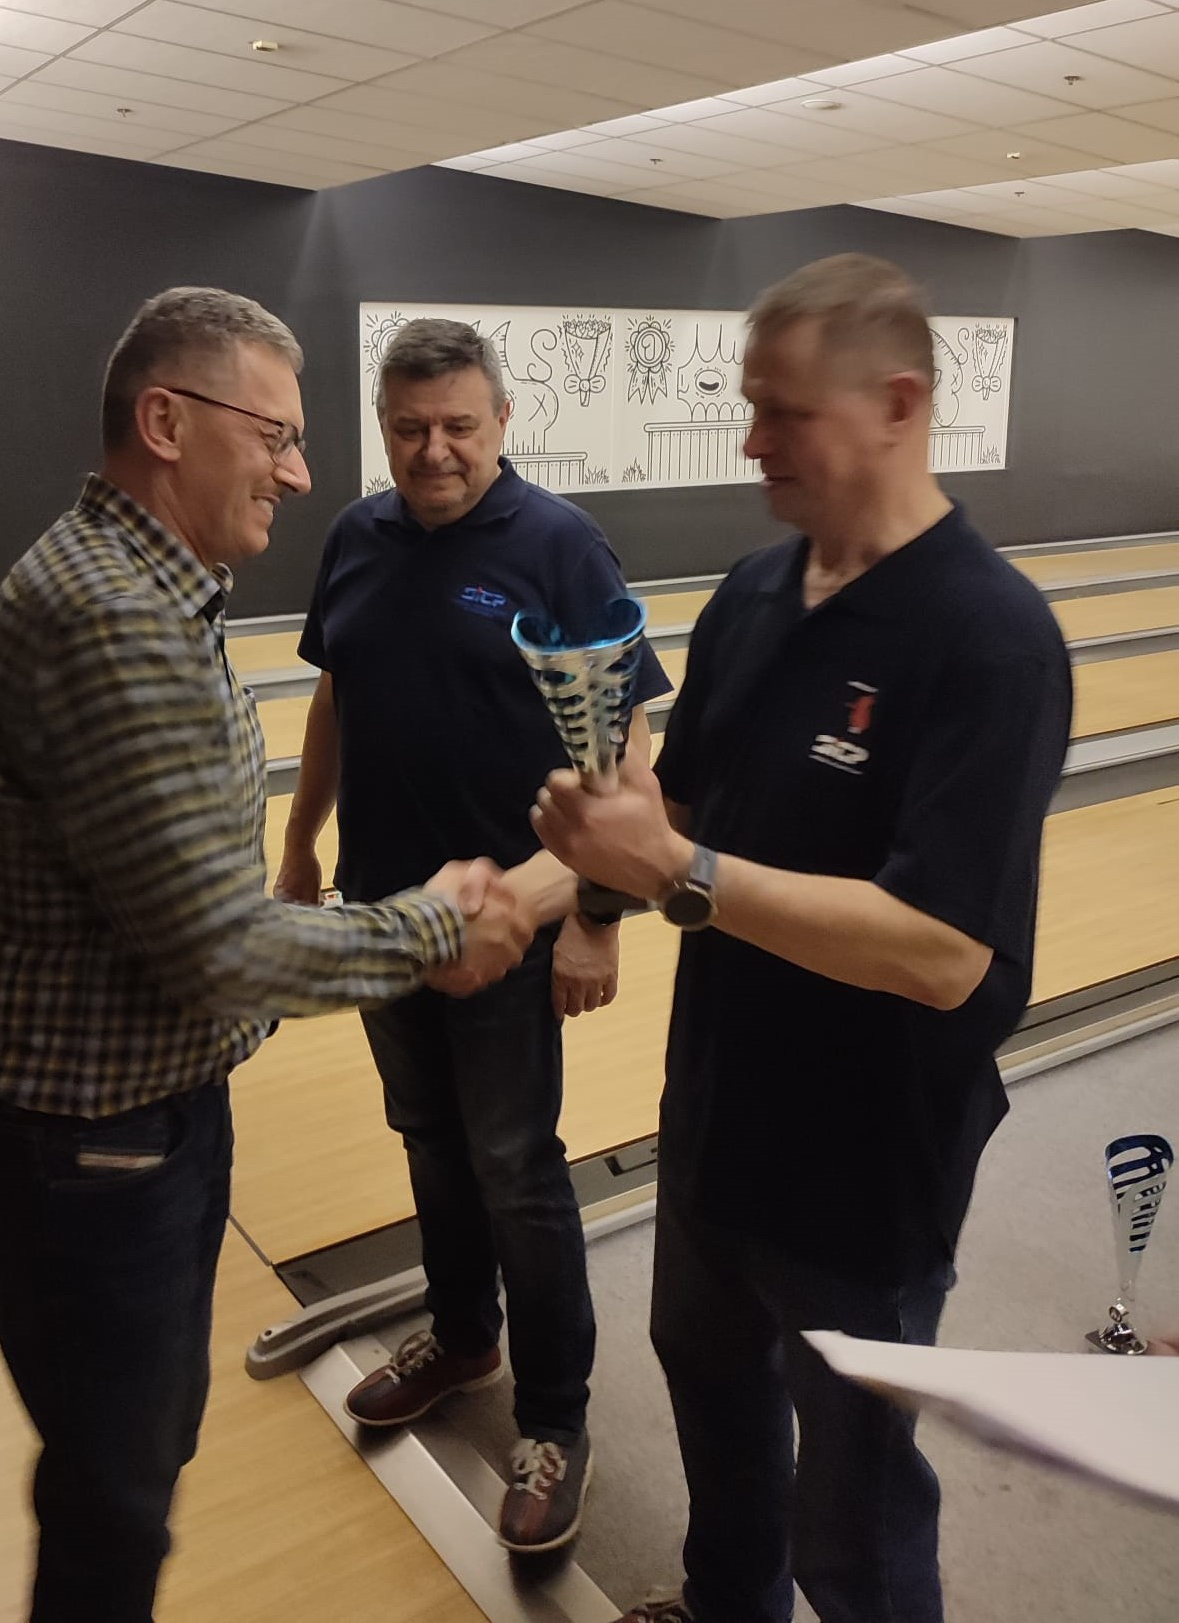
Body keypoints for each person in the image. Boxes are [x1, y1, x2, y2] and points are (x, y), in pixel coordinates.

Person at [0, 288, 549, 1623]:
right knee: (113, 1509)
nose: (299, 471)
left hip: (97, 1137)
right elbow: (216, 945)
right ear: (166, 421)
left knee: (124, 1471)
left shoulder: (139, 593)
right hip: (94, 1157)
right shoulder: (114, 618)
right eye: (275, 435)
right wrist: (436, 924)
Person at [531, 255, 1073, 1623]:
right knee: (716, 1412)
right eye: (750, 405)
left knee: (855, 1520)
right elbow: (679, 809)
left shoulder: (991, 638)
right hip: (720, 1115)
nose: (751, 440)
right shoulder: (756, 591)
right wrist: (531, 892)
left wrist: (678, 872)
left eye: (784, 412)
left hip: (865, 1166)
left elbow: (942, 951)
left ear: (898, 403)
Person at [276, 318, 670, 1552]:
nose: (433, 449)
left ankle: (553, 1416)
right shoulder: (356, 535)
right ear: (383, 427)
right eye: (409, 428)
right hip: (380, 918)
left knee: (515, 1166)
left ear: (504, 421)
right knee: (429, 1138)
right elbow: (335, 695)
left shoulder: (559, 546)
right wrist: (300, 844)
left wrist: (595, 916)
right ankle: (462, 1337)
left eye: (458, 425)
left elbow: (628, 757)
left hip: (507, 928)